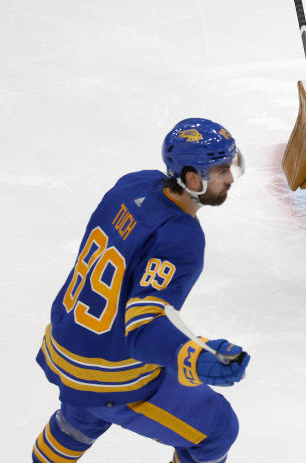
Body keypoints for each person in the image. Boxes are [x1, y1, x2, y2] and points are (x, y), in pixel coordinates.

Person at [32, 118, 251, 463]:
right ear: (192, 178)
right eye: (221, 169)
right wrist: (194, 356)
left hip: (67, 339)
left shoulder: (133, 184)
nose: (230, 178)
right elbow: (142, 327)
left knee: (79, 421)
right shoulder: (182, 239)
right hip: (106, 372)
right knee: (217, 429)